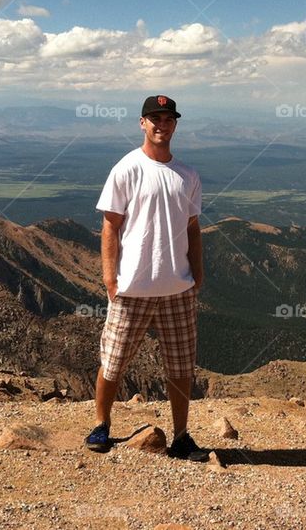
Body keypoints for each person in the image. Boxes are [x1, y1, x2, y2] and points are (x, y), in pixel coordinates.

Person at [85, 94, 206, 460]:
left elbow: (193, 227)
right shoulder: (126, 168)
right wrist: (109, 277)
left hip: (177, 288)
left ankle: (181, 436)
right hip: (132, 287)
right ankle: (101, 425)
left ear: (175, 124)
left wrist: (197, 273)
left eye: (167, 119)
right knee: (114, 360)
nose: (160, 124)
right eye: (154, 118)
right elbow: (110, 225)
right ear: (142, 123)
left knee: (181, 367)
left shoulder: (188, 175)